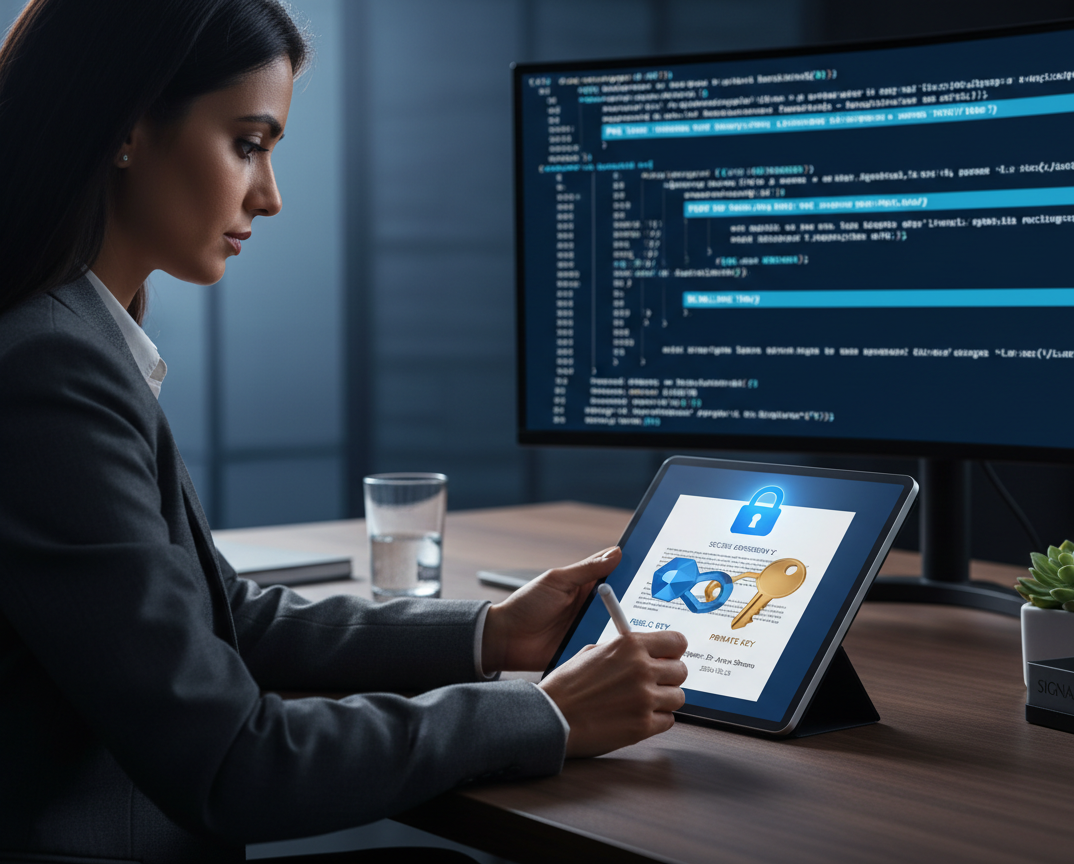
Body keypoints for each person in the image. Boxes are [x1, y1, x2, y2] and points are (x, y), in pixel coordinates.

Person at [0, 1, 689, 861]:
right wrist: (543, 712)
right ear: (128, 129)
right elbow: (230, 759)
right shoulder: (51, 368)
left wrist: (494, 635)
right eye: (248, 144)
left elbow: (226, 621)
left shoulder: (71, 338)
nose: (272, 196)